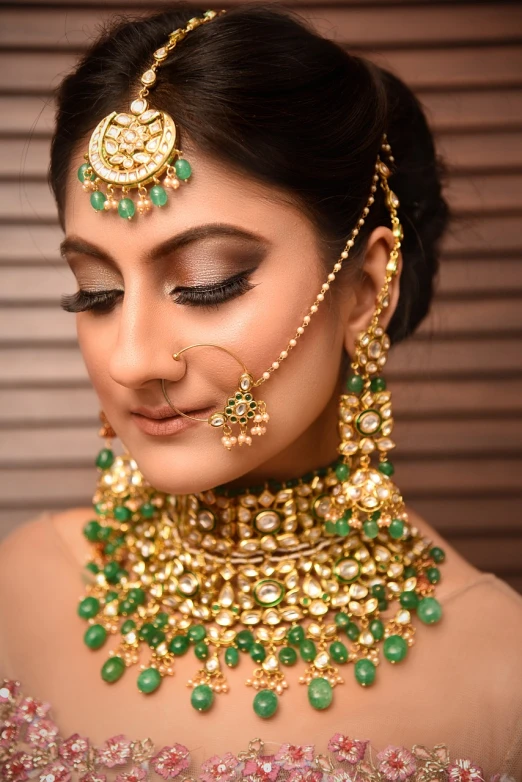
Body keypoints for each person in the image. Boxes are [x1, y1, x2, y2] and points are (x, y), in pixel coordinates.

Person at [0, 4, 521, 781]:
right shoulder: (20, 588)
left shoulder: (500, 674)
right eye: (96, 292)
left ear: (364, 291)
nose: (133, 359)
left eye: (208, 284)